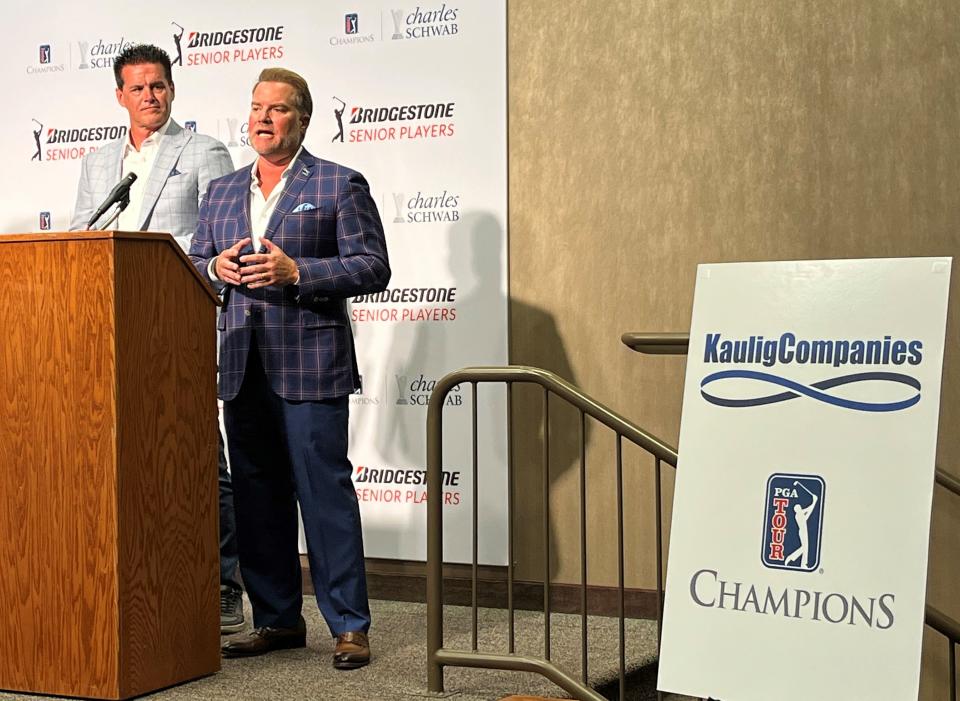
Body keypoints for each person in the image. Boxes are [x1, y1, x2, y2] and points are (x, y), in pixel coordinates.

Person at [189, 67, 390, 669]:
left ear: (301, 119)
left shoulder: (338, 184)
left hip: (311, 366)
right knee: (255, 500)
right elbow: (198, 258)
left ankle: (350, 625)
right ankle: (276, 619)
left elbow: (372, 266)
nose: (263, 118)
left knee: (323, 496)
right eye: (256, 108)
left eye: (277, 109)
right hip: (242, 365)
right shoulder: (221, 190)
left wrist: (298, 273)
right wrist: (213, 271)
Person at [68, 44, 246, 634]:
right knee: (126, 454)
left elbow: (226, 238)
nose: (150, 95)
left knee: (200, 455)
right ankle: (142, 578)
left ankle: (224, 584)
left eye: (159, 86)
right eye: (138, 87)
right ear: (120, 96)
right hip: (110, 327)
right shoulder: (99, 161)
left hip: (177, 320)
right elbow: (81, 235)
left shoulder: (204, 152)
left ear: (172, 90)